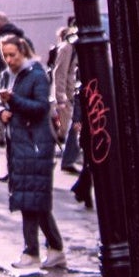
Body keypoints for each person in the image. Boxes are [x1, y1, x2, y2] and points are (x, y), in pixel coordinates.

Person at [0, 33, 65, 270]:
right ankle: (54, 249)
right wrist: (1, 113)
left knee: (31, 200)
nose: (9, 60)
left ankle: (32, 252)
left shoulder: (36, 75)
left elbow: (41, 108)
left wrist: (13, 101)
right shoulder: (6, 75)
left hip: (35, 143)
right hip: (19, 143)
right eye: (5, 55)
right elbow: (1, 105)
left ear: (23, 52)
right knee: (33, 199)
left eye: (12, 55)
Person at [50, 25, 80, 173]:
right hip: (68, 95)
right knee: (69, 128)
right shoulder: (67, 48)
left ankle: (68, 159)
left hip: (73, 92)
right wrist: (61, 97)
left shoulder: (72, 47)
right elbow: (60, 73)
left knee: (73, 127)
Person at [0, 11, 26, 89]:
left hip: (8, 87)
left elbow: (1, 66)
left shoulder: (0, 42)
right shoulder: (23, 39)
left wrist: (2, 88)